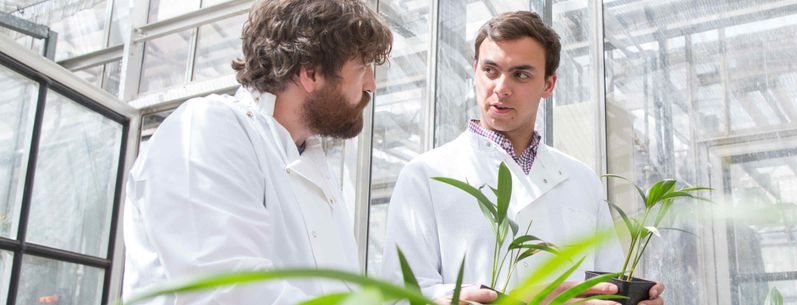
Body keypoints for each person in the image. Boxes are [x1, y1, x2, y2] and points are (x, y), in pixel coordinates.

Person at [381, 11, 665, 305]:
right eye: (490, 70)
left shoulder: (582, 180)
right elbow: (401, 295)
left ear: (548, 85)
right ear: (475, 72)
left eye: (521, 74)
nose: (502, 88)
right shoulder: (425, 175)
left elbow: (607, 287)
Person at [121, 0, 392, 304]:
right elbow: (227, 288)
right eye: (363, 67)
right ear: (311, 73)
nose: (371, 84)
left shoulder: (311, 161)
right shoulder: (206, 128)